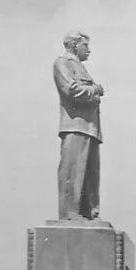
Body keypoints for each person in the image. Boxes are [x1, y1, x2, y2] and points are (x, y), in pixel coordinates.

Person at [54, 31, 104, 220]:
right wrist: (95, 90)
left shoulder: (80, 67)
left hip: (90, 128)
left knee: (90, 175)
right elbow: (71, 90)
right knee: (72, 171)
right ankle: (70, 213)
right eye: (85, 45)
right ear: (74, 45)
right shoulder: (63, 63)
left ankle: (87, 213)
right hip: (74, 125)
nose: (89, 50)